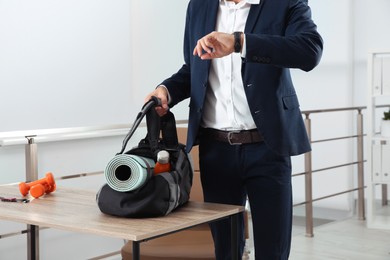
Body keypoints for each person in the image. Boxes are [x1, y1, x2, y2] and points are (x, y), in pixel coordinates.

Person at [144, 0, 323, 259]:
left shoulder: (285, 3)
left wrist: (239, 42)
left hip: (267, 147)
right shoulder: (199, 5)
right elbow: (193, 67)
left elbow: (310, 51)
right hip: (215, 151)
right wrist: (167, 90)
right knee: (226, 251)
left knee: (273, 251)